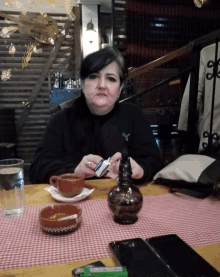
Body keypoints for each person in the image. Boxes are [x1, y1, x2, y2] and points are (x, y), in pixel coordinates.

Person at [29, 47, 163, 184]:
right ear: (82, 83)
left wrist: (140, 169)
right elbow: (37, 169)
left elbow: (155, 162)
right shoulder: (61, 120)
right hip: (74, 199)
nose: (102, 85)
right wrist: (73, 171)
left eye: (111, 79)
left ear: (120, 87)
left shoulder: (134, 116)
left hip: (122, 198)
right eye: (93, 76)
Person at [178, 43, 220, 153]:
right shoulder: (208, 52)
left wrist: (184, 126)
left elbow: (195, 89)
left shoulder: (210, 51)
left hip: (212, 132)